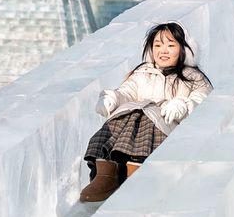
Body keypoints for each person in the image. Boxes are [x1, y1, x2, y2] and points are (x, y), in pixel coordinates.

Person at [79, 22, 212, 203]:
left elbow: (202, 99)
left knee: (146, 121)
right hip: (130, 125)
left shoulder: (193, 78)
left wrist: (184, 105)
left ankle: (136, 172)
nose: (163, 51)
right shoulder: (142, 73)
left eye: (170, 45)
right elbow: (127, 92)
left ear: (184, 49)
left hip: (162, 128)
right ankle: (106, 172)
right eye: (158, 45)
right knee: (119, 120)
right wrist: (113, 98)